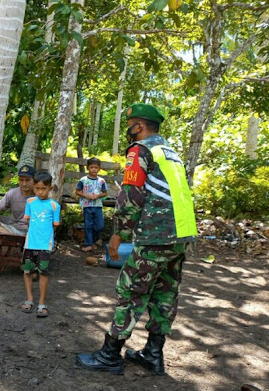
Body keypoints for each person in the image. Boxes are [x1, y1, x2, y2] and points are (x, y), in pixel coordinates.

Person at [76, 103, 197, 375]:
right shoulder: (169, 152)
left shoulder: (140, 150)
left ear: (138, 126)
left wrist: (119, 234)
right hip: (181, 235)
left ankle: (110, 355)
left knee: (131, 293)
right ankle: (153, 355)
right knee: (165, 294)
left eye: (130, 124)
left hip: (155, 236)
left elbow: (131, 196)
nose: (129, 130)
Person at [19, 171, 60, 318]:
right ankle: (29, 299)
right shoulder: (30, 202)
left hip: (45, 244)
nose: (40, 192)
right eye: (37, 188)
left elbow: (54, 225)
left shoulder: (55, 206)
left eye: (43, 189)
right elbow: (29, 221)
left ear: (50, 188)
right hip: (30, 243)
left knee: (43, 271)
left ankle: (42, 302)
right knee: (27, 270)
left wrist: (47, 239)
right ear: (34, 187)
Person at [75, 157, 108, 252]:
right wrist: (86, 195)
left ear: (99, 168)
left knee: (100, 225)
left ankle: (93, 240)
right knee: (88, 225)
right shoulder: (83, 180)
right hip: (87, 205)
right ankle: (88, 244)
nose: (94, 169)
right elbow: (77, 191)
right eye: (92, 167)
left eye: (96, 167)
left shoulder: (101, 181)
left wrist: (98, 196)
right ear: (87, 168)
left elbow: (105, 193)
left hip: (98, 206)